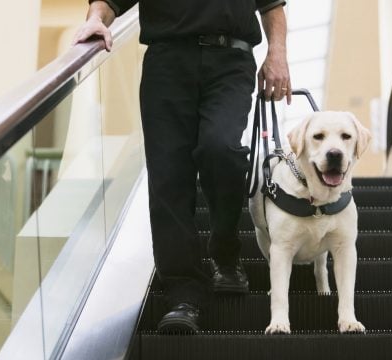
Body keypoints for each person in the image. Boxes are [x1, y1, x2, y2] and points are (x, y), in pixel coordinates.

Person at [74, 0, 291, 333]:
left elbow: (272, 5)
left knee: (222, 148)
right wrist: (95, 19)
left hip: (231, 60)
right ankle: (183, 297)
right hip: (167, 61)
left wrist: (278, 54)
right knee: (168, 177)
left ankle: (225, 252)